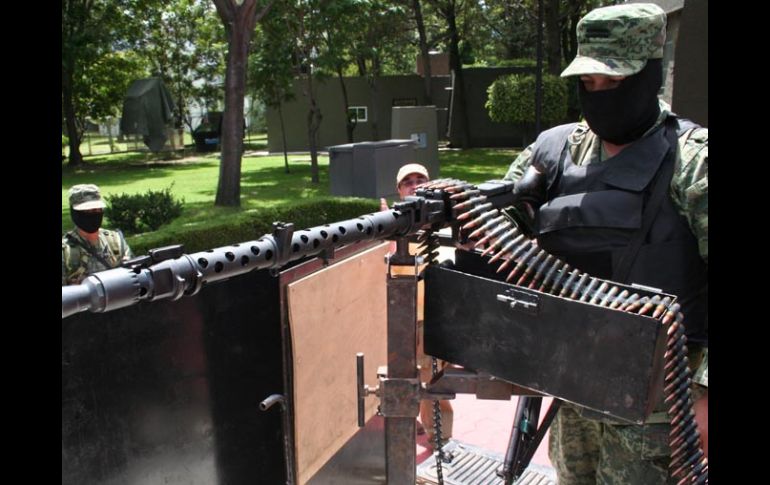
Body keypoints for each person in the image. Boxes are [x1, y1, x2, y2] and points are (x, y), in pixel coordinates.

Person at [500, 4, 707, 483]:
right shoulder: (553, 151)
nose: (598, 95)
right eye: (588, 83)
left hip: (661, 402)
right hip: (572, 386)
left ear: (649, 74)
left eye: (613, 82)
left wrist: (706, 396)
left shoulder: (692, 162)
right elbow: (495, 225)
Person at [381, 163, 454, 447]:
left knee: (435, 382)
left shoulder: (444, 222)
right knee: (403, 379)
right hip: (403, 318)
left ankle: (441, 438)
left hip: (434, 318)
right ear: (400, 191)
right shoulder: (391, 226)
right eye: (407, 182)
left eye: (420, 180)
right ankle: (412, 426)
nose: (414, 185)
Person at [62, 184, 133, 285]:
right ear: (74, 212)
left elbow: (133, 275)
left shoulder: (116, 241)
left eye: (97, 209)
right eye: (87, 211)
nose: (93, 214)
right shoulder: (65, 251)